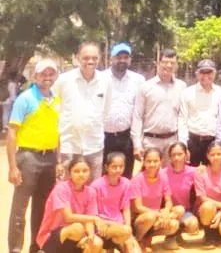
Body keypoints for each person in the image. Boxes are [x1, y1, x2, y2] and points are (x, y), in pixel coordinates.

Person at [7, 58, 60, 253]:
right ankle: (15, 248)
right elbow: (12, 132)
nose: (47, 77)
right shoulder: (26, 98)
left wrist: (59, 160)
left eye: (51, 73)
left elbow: (58, 131)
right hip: (28, 157)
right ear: (35, 76)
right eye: (43, 74)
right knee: (20, 208)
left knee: (43, 206)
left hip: (50, 158)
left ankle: (36, 246)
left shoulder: (56, 100)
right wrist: (13, 166)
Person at [53, 43, 110, 180]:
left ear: (100, 58)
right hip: (69, 146)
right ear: (78, 58)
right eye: (86, 58)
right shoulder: (64, 80)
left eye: (94, 58)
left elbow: (106, 111)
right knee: (66, 189)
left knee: (93, 190)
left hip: (94, 147)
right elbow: (55, 109)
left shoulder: (106, 81)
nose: (90, 61)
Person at [34, 158, 104, 253]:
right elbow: (68, 217)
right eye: (76, 171)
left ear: (90, 172)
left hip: (77, 235)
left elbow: (89, 219)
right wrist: (94, 219)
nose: (81, 174)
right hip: (53, 235)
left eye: (85, 171)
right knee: (77, 228)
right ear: (70, 173)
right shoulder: (61, 188)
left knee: (97, 243)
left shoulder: (91, 192)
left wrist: (90, 236)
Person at [132, 49, 187, 165]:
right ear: (158, 63)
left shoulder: (181, 87)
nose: (168, 65)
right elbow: (137, 116)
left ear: (176, 65)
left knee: (171, 176)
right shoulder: (145, 87)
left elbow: (182, 116)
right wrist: (137, 144)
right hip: (151, 141)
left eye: (172, 63)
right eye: (165, 62)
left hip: (172, 141)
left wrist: (182, 142)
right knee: (151, 176)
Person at [103, 43, 146, 178]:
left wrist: (137, 142)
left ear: (130, 59)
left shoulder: (138, 80)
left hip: (126, 137)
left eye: (125, 57)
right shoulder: (100, 78)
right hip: (104, 137)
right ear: (111, 59)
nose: (122, 60)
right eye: (118, 57)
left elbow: (138, 112)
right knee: (104, 176)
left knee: (126, 175)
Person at [131, 148, 181, 251]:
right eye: (149, 161)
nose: (152, 164)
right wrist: (159, 214)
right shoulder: (137, 179)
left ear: (161, 162)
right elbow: (138, 207)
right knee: (150, 216)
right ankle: (138, 239)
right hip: (140, 218)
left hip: (156, 216)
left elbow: (168, 201)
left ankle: (148, 237)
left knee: (174, 223)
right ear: (143, 162)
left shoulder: (163, 177)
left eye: (155, 161)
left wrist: (166, 211)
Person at [89, 153, 140, 252]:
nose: (118, 170)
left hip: (120, 225)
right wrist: (123, 229)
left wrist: (128, 226)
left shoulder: (126, 183)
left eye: (121, 166)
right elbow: (93, 213)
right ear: (106, 167)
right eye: (114, 167)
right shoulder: (96, 186)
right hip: (102, 226)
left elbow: (126, 209)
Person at [180, 59, 221, 166]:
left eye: (209, 72)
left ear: (214, 74)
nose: (206, 75)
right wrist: (184, 144)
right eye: (202, 72)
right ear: (197, 74)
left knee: (211, 177)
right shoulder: (187, 93)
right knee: (190, 175)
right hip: (193, 141)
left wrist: (219, 142)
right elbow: (182, 119)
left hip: (212, 141)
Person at [194, 142, 221, 248]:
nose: (216, 157)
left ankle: (217, 233)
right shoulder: (201, 173)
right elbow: (203, 198)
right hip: (204, 209)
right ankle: (209, 237)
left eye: (219, 154)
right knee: (208, 206)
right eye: (212, 154)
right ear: (207, 156)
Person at [161, 142, 200, 247]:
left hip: (185, 210)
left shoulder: (194, 171)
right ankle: (170, 235)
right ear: (169, 156)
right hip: (168, 210)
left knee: (193, 226)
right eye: (173, 155)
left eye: (180, 154)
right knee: (178, 210)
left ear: (186, 155)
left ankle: (177, 234)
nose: (177, 157)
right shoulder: (162, 173)